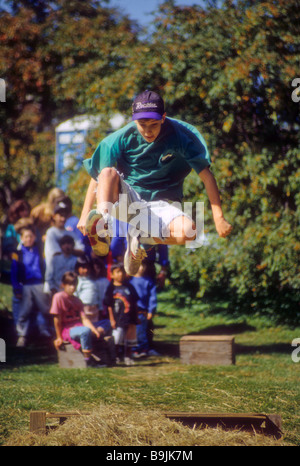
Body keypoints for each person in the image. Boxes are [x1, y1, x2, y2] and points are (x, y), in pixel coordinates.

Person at [77, 90, 232, 276]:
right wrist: (85, 213)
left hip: (162, 203)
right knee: (108, 171)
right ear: (134, 120)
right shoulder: (119, 139)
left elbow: (207, 176)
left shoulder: (181, 135)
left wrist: (219, 217)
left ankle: (141, 239)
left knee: (190, 233)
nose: (148, 131)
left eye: (154, 125)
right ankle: (104, 224)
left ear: (164, 118)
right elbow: (98, 177)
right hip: (130, 198)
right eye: (142, 125)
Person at [50, 271, 106, 367]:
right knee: (85, 331)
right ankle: (88, 360)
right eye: (70, 285)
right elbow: (57, 319)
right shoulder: (58, 297)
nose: (73, 287)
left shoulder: (77, 300)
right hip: (68, 330)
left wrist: (94, 330)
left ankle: (92, 335)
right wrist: (59, 337)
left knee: (106, 322)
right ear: (63, 285)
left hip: (79, 326)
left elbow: (84, 319)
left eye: (74, 285)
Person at [11, 225, 52, 347]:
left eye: (31, 236)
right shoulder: (17, 254)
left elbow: (45, 266)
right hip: (26, 285)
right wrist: (17, 288)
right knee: (24, 311)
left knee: (45, 309)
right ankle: (22, 335)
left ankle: (46, 331)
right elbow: (14, 273)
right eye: (26, 237)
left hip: (39, 283)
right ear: (21, 238)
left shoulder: (39, 251)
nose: (28, 239)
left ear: (34, 237)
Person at [103, 262, 139, 365]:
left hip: (130, 318)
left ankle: (128, 356)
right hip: (117, 318)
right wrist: (111, 319)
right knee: (117, 338)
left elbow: (135, 301)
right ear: (112, 274)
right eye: (117, 272)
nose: (121, 274)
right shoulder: (111, 289)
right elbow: (109, 305)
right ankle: (116, 357)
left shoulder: (129, 287)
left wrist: (136, 316)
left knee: (129, 339)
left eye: (122, 271)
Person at [74, 256, 111, 337]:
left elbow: (98, 295)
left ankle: (95, 334)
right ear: (78, 268)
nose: (86, 270)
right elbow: (75, 295)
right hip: (83, 309)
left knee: (99, 324)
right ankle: (90, 334)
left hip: (95, 309)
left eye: (88, 268)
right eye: (83, 268)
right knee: (85, 325)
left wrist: (100, 308)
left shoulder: (94, 280)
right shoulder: (78, 281)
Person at [44, 200, 84, 271]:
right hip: (55, 273)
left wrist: (69, 250)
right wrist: (71, 250)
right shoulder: (51, 232)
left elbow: (81, 250)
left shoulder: (70, 233)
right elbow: (55, 253)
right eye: (61, 215)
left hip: (70, 275)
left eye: (65, 216)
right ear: (54, 216)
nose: (63, 219)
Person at [130, 260, 158, 358]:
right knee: (133, 332)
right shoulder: (130, 281)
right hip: (132, 311)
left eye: (143, 265)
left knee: (142, 331)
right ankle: (134, 349)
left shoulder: (148, 281)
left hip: (143, 312)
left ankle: (143, 349)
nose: (141, 268)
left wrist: (151, 310)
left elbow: (153, 297)